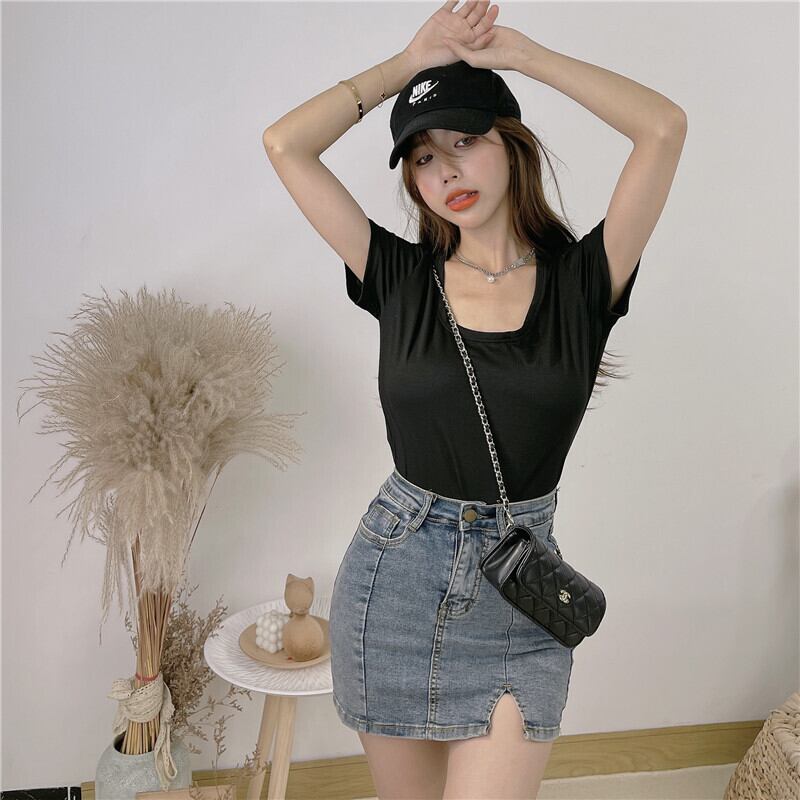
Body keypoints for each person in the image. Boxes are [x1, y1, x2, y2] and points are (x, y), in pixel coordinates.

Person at [262, 2, 686, 797]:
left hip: (519, 592)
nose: (447, 172)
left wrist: (522, 56)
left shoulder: (582, 283)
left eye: (466, 140)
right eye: (424, 158)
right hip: (392, 580)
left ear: (511, 143)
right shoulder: (397, 278)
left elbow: (663, 128)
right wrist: (406, 63)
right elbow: (285, 144)